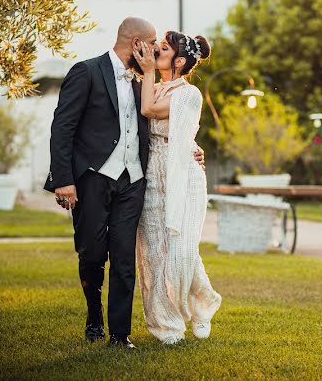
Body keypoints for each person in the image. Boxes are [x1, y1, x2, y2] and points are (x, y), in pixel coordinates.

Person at [44, 17, 204, 350]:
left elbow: (167, 123)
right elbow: (63, 128)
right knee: (91, 253)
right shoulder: (86, 71)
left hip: (134, 181)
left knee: (125, 259)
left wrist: (192, 149)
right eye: (153, 41)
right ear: (137, 44)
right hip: (93, 179)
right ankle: (93, 316)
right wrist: (64, 180)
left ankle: (120, 334)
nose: (156, 47)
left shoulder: (145, 82)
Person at [132, 30, 222, 345]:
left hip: (184, 175)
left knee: (182, 252)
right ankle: (167, 327)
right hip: (152, 177)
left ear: (180, 60)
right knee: (155, 252)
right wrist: (147, 74)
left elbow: (149, 111)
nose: (156, 49)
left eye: (164, 48)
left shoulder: (189, 93)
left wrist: (146, 71)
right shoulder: (151, 85)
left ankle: (203, 305)